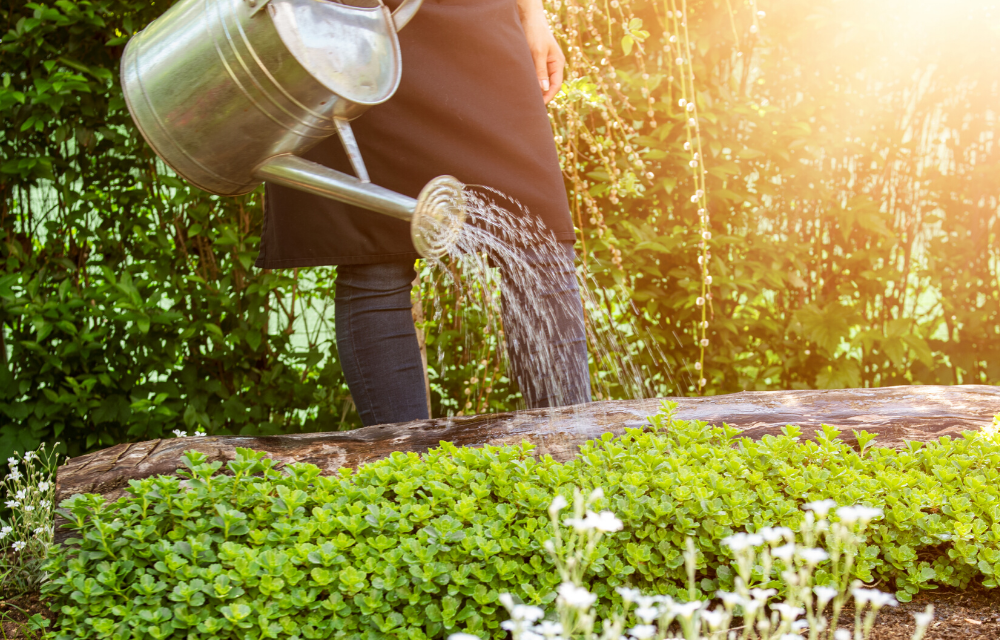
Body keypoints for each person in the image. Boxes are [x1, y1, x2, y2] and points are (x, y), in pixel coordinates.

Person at [254, 0, 591, 426]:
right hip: (345, 18)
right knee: (374, 248)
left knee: (537, 238)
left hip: (473, 14)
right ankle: (407, 471)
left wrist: (532, 12)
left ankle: (571, 451)